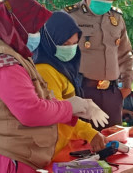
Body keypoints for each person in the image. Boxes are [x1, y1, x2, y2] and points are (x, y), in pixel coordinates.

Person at [0, 0, 107, 173]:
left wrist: (71, 107)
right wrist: (70, 107)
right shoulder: (2, 61)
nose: (37, 35)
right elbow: (30, 111)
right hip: (5, 161)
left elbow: (38, 97)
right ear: (17, 26)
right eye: (34, 29)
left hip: (19, 156)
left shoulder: (12, 49)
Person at [65, 0, 133, 128]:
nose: (104, 3)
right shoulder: (70, 16)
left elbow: (125, 54)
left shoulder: (116, 18)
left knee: (113, 138)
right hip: (82, 91)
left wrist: (127, 85)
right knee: (82, 138)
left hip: (112, 93)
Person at [33, 11, 107, 155]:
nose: (70, 49)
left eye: (74, 44)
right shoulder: (45, 70)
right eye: (64, 44)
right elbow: (57, 114)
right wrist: (89, 132)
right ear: (49, 41)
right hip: (49, 149)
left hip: (62, 144)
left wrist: (84, 106)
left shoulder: (62, 65)